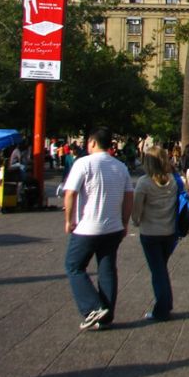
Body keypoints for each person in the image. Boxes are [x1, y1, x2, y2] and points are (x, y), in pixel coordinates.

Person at [63, 127, 133, 331]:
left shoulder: (83, 163)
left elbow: (70, 193)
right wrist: (125, 222)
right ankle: (106, 315)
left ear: (93, 143)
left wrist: (69, 219)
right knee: (107, 269)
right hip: (113, 227)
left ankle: (93, 307)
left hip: (87, 227)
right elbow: (129, 196)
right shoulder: (120, 167)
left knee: (74, 266)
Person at [131, 146, 178, 321]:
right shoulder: (173, 180)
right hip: (170, 232)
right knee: (161, 268)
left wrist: (135, 220)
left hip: (150, 232)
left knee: (158, 271)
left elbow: (136, 209)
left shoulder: (144, 182)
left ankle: (162, 308)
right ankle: (166, 303)